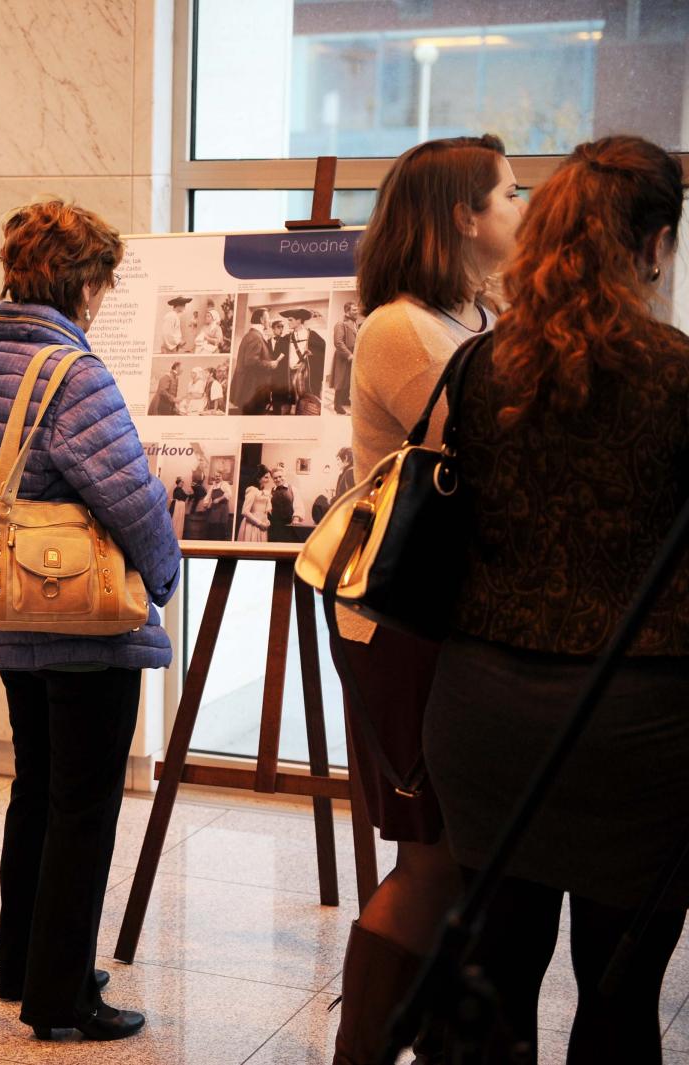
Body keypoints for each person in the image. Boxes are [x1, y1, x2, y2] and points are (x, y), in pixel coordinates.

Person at [423, 136, 689, 1064]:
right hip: (640, 735)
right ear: (654, 243)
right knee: (619, 999)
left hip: (484, 720)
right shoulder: (679, 374)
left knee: (490, 986)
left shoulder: (482, 366)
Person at [0, 197, 182, 1043]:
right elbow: (129, 493)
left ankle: (26, 960)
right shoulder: (73, 371)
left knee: (37, 788)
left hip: (15, 613)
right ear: (83, 283)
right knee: (85, 805)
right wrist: (165, 570)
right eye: (103, 282)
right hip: (80, 623)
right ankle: (62, 996)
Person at [332, 132, 523, 1065]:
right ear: (464, 217)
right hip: (403, 630)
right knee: (434, 855)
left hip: (450, 628)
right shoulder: (403, 326)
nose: (523, 212)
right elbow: (495, 455)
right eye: (510, 194)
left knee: (462, 859)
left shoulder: (469, 321)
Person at [234, 309, 274, 413]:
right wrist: (270, 364)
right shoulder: (255, 337)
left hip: (250, 392)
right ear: (261, 320)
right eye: (268, 318)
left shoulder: (252, 335)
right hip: (253, 392)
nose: (270, 321)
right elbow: (251, 362)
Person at [333, 301, 360, 413]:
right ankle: (337, 405)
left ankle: (345, 399)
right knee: (341, 380)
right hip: (343, 357)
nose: (357, 311)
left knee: (348, 379)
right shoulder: (340, 324)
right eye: (354, 310)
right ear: (347, 312)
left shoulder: (355, 324)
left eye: (357, 309)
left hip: (352, 355)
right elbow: (338, 342)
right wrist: (349, 355)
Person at [237, 469, 270, 542]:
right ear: (258, 478)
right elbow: (245, 511)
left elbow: (264, 510)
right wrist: (259, 523)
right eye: (266, 477)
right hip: (252, 524)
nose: (268, 480)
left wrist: (266, 520)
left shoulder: (265, 492)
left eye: (269, 477)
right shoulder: (252, 490)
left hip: (263, 524)